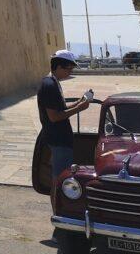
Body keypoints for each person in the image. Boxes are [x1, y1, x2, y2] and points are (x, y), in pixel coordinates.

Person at [38, 50, 92, 185]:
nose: (70, 72)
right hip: (58, 140)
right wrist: (80, 108)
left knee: (61, 174)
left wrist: (80, 101)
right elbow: (54, 117)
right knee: (61, 177)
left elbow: (60, 108)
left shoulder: (53, 82)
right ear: (58, 66)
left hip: (60, 139)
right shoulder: (49, 85)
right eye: (69, 68)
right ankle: (58, 202)